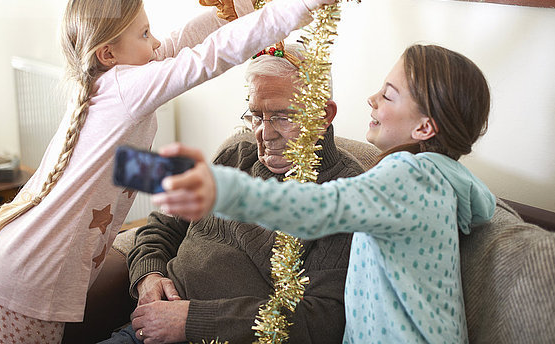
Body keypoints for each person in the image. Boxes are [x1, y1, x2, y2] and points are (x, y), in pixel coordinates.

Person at [0, 0, 351, 344]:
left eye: (282, 115)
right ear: (108, 53)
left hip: (9, 260)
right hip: (31, 277)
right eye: (144, 34)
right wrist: (302, 3)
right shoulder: (129, 89)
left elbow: (183, 40)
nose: (156, 43)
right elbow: (210, 55)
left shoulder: (108, 80)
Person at [152, 44, 496, 344]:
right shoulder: (442, 182)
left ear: (424, 127)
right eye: (257, 116)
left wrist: (219, 189)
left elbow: (315, 208)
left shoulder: (408, 178)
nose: (371, 99)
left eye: (388, 95)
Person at [101, 43, 366, 344]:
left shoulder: (347, 193)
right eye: (256, 115)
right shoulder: (236, 155)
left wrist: (191, 321)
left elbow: (322, 319)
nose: (264, 134)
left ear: (323, 115)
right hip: (149, 329)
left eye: (283, 117)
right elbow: (162, 226)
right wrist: (149, 277)